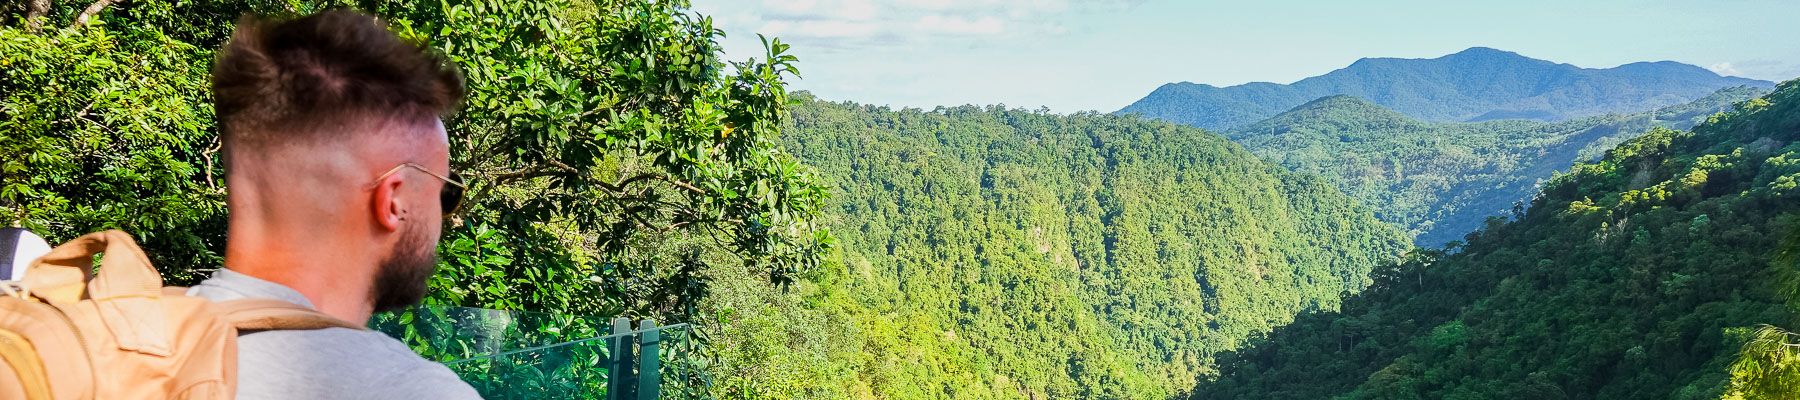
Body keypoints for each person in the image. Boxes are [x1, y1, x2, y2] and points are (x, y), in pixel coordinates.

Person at [183, 9, 481, 399]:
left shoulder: (115, 345)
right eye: (446, 191)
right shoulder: (409, 390)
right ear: (393, 200)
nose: (445, 217)